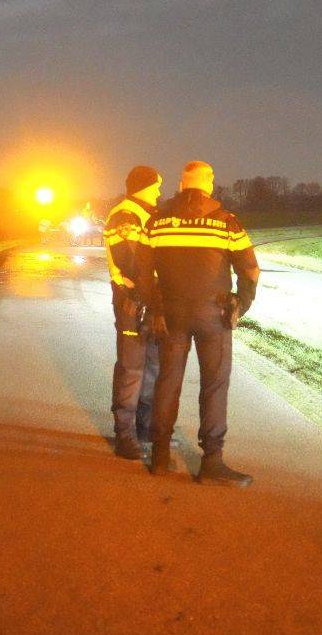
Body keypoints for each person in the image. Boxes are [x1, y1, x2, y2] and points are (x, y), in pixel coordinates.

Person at [136, 160, 260, 486]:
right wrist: (240, 305)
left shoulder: (157, 222)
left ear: (180, 185)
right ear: (209, 184)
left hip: (171, 314)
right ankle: (212, 463)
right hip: (213, 316)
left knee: (167, 380)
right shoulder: (226, 223)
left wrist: (155, 308)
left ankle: (160, 456)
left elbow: (142, 271)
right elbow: (250, 270)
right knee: (214, 386)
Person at [102, 166, 163, 460]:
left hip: (149, 301)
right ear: (143, 186)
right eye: (156, 186)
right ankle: (125, 436)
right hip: (132, 300)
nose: (160, 192)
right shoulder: (126, 215)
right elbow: (128, 260)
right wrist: (143, 294)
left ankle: (144, 430)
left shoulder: (145, 215)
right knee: (131, 367)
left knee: (151, 367)